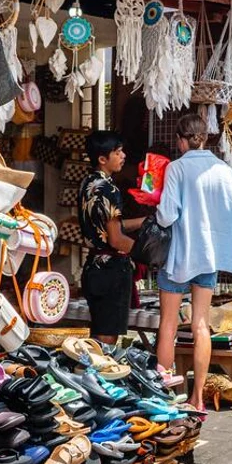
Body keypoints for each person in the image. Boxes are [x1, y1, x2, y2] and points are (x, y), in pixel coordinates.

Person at [155, 114, 232, 412]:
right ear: (205, 137)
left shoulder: (177, 169)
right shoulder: (223, 169)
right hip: (208, 257)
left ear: (181, 140)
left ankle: (166, 398)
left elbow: (167, 215)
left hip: (179, 254)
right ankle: (198, 396)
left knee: (168, 325)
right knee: (201, 325)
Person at [78, 131, 146, 347]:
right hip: (112, 272)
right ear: (102, 159)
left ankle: (90, 377)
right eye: (117, 152)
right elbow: (116, 240)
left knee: (97, 335)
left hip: (93, 268)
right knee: (106, 340)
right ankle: (99, 378)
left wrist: (142, 222)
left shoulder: (88, 184)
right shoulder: (110, 189)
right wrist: (147, 253)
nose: (123, 156)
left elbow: (108, 227)